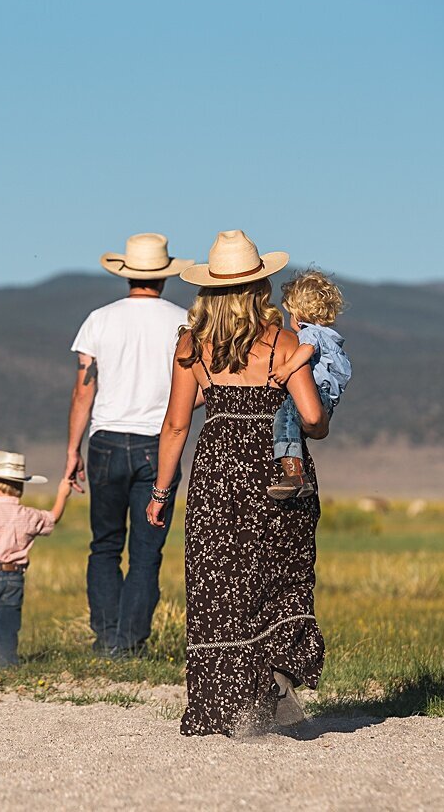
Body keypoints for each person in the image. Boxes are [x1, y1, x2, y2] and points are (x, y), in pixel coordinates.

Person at [146, 229, 330, 736]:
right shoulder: (284, 342)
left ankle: (222, 709)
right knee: (280, 580)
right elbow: (313, 420)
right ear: (258, 288)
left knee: (219, 589)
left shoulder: (191, 346)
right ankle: (274, 677)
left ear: (208, 292)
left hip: (218, 475)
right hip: (276, 474)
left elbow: (177, 426)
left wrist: (161, 492)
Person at [65, 233, 193, 656]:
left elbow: (84, 390)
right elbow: (202, 387)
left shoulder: (99, 320)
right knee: (146, 551)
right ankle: (129, 642)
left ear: (126, 275)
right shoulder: (186, 321)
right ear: (164, 276)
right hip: (158, 444)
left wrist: (72, 450)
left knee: (104, 544)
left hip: (103, 442)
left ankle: (106, 639)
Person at [0, 450, 68, 666]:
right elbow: (53, 517)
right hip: (14, 576)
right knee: (8, 623)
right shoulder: (28, 515)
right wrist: (62, 494)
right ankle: (7, 663)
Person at [267, 269, 351, 499]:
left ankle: (293, 473)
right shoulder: (330, 336)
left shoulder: (309, 334)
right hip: (327, 399)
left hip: (316, 393)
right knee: (296, 423)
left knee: (284, 417)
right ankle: (300, 478)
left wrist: (287, 368)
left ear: (299, 313)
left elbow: (306, 349)